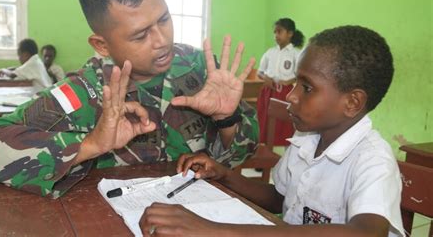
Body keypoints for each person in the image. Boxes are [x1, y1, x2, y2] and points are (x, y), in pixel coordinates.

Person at [0, 0, 258, 198]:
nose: (162, 40)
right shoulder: (85, 91)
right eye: (141, 35)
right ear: (102, 45)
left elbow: (243, 155)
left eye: (165, 19)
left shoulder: (199, 67)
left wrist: (227, 119)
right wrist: (90, 144)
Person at [139, 26, 405, 237]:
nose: (291, 95)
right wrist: (224, 175)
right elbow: (279, 199)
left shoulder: (373, 160)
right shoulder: (307, 140)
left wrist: (214, 230)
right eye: (296, 83)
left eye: (307, 88)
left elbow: (367, 233)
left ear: (352, 103)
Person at [257, 18, 304, 147]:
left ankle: (285, 155)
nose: (276, 35)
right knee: (265, 121)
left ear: (290, 33)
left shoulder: (296, 54)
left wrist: (291, 80)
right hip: (268, 91)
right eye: (275, 32)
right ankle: (265, 153)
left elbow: (301, 75)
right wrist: (265, 78)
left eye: (280, 32)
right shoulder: (270, 53)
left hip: (286, 93)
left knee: (284, 124)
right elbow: (260, 72)